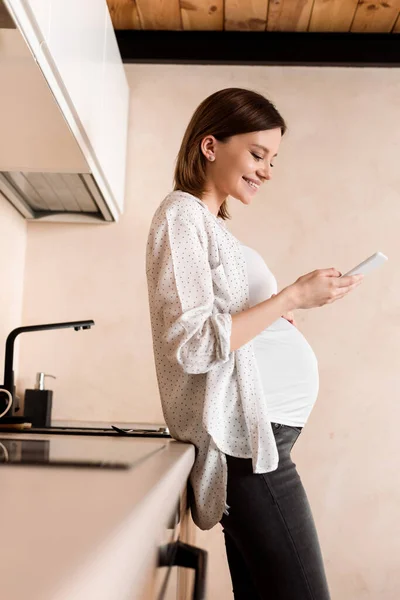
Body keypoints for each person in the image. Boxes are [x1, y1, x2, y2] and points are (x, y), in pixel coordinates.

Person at [145, 88, 364, 600]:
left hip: (258, 442)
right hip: (246, 446)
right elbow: (194, 342)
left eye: (273, 160)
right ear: (210, 146)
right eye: (257, 154)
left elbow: (226, 326)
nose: (267, 170)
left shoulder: (211, 227)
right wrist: (291, 295)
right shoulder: (181, 215)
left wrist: (281, 315)